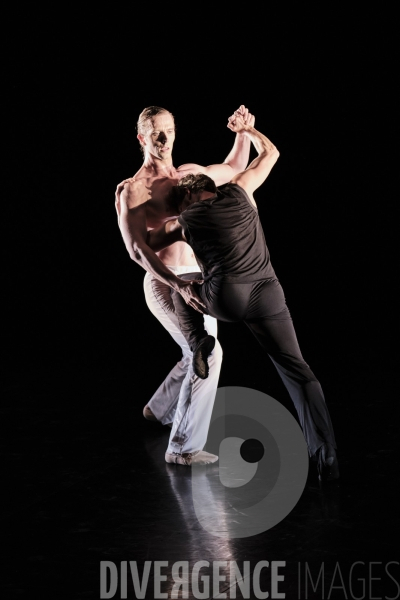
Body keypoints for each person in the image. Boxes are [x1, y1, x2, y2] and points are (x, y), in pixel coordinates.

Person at [146, 114, 339, 481]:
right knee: (299, 372)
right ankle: (324, 453)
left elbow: (148, 245)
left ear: (188, 195)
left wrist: (157, 222)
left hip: (224, 297)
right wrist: (247, 131)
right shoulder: (240, 189)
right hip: (268, 293)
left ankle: (198, 340)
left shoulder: (187, 219)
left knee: (179, 285)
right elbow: (270, 153)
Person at [115, 105, 254, 466]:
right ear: (141, 138)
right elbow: (136, 251)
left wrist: (242, 132)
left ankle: (158, 409)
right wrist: (177, 284)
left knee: (195, 355)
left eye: (169, 131)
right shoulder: (134, 190)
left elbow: (235, 167)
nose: (163, 139)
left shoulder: (190, 174)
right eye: (155, 133)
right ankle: (181, 448)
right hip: (166, 284)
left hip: (200, 279)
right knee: (208, 353)